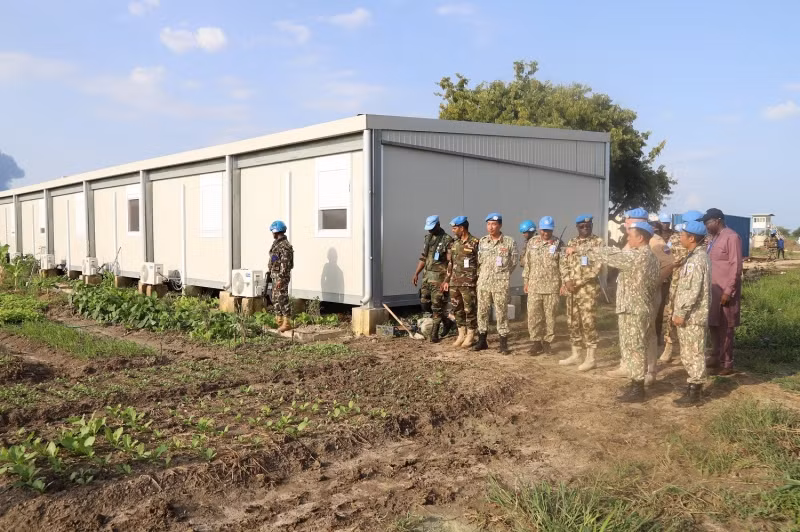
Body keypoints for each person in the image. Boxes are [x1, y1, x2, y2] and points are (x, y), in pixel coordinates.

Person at [568, 221, 660, 402]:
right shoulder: (651, 257)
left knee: (634, 348)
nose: (627, 237)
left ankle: (637, 389)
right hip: (638, 307)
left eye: (630, 235)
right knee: (634, 346)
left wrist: (580, 250)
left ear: (640, 238)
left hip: (633, 309)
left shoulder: (637, 257)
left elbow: (609, 255)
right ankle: (635, 382)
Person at [608, 208, 671, 385]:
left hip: (647, 295)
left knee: (648, 332)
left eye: (629, 221)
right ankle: (628, 365)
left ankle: (650, 370)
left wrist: (650, 285)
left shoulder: (655, 241)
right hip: (629, 296)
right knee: (630, 333)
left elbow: (669, 265)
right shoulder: (631, 239)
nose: (626, 223)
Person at [671, 220, 711, 407]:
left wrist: (681, 312)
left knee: (693, 353)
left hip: (692, 316)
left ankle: (695, 392)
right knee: (689, 353)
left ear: (692, 238)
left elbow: (692, 291)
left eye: (683, 235)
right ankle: (693, 389)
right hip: (692, 316)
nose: (680, 238)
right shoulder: (695, 256)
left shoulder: (696, 260)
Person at [558, 214, 603, 370]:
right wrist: (566, 280)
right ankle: (576, 354)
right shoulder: (571, 242)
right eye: (582, 226)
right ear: (577, 227)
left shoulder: (597, 242)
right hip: (571, 290)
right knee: (572, 321)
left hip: (587, 290)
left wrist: (576, 282)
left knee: (588, 322)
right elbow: (564, 263)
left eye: (588, 226)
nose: (586, 228)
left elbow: (597, 268)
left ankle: (591, 358)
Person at [701, 208, 743, 375]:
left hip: (726, 292)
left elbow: (736, 266)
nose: (706, 226)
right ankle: (715, 355)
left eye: (708, 223)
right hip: (713, 291)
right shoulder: (713, 239)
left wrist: (728, 290)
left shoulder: (731, 237)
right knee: (713, 324)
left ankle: (727, 363)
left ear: (717, 220)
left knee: (725, 327)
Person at [660, 210, 704, 363]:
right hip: (676, 283)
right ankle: (669, 346)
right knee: (672, 313)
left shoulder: (703, 242)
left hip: (694, 285)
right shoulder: (674, 238)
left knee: (692, 317)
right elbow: (665, 253)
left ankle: (688, 351)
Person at [473, 213, 519, 354]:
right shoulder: (483, 241)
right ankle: (482, 340)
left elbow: (513, 262)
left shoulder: (509, 242)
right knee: (482, 311)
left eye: (493, 224)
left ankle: (503, 343)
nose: (490, 227)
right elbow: (479, 261)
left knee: (501, 312)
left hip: (500, 283)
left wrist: (503, 274)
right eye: (488, 224)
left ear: (500, 225)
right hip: (484, 282)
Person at [411, 215, 455, 343]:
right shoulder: (428, 239)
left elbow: (450, 262)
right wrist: (416, 273)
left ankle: (434, 334)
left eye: (432, 228)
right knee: (425, 303)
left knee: (437, 306)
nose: (429, 230)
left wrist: (447, 280)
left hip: (439, 279)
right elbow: (423, 258)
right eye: (428, 228)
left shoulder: (447, 240)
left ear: (438, 224)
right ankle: (447, 322)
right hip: (427, 277)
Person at [523, 216, 563, 355]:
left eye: (549, 230)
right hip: (534, 285)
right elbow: (527, 263)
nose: (546, 233)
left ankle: (547, 343)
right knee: (534, 315)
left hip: (552, 287)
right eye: (544, 230)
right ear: (540, 229)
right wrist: (526, 281)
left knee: (550, 316)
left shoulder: (558, 243)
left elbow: (562, 265)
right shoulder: (532, 242)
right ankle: (536, 343)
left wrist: (563, 283)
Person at [444, 216, 480, 348]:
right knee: (457, 309)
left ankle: (470, 335)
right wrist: (447, 280)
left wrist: (477, 279)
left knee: (469, 309)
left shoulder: (475, 242)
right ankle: (461, 334)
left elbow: (480, 263)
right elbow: (450, 263)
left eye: (454, 228)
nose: (453, 231)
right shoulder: (454, 244)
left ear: (462, 228)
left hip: (469, 283)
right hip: (454, 282)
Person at [268, 220, 295, 332]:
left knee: (282, 298)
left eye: (272, 231)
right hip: (275, 275)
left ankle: (287, 322)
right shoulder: (277, 243)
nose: (272, 234)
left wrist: (281, 278)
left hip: (281, 277)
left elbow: (285, 264)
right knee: (275, 298)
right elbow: (275, 259)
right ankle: (279, 321)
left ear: (276, 231)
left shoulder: (285, 246)